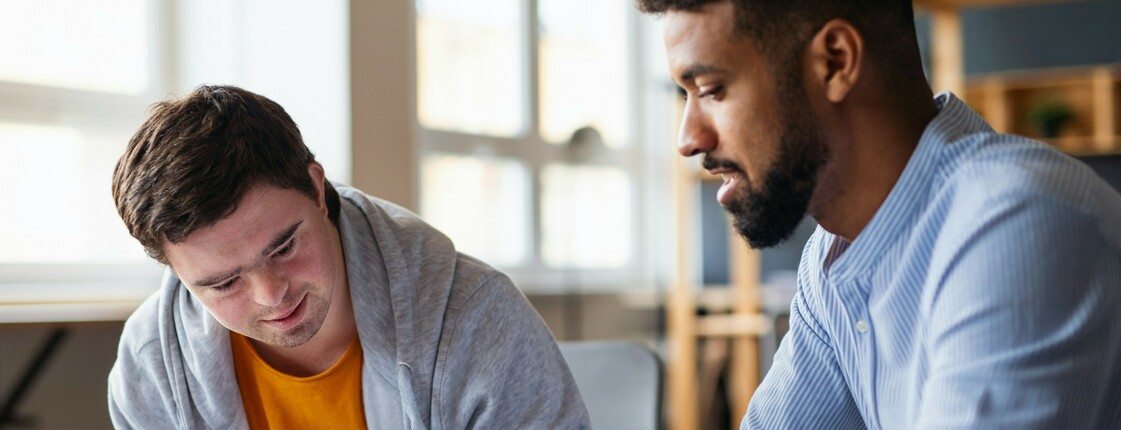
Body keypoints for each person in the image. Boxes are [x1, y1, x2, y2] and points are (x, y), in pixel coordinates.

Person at [637, 0, 1121, 428]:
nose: (687, 138)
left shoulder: (1015, 223)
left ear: (835, 61)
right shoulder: (830, 260)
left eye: (712, 89)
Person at [107, 85, 589, 429]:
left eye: (283, 246)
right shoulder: (152, 360)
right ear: (177, 273)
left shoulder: (477, 320)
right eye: (223, 283)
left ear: (317, 189)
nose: (272, 294)